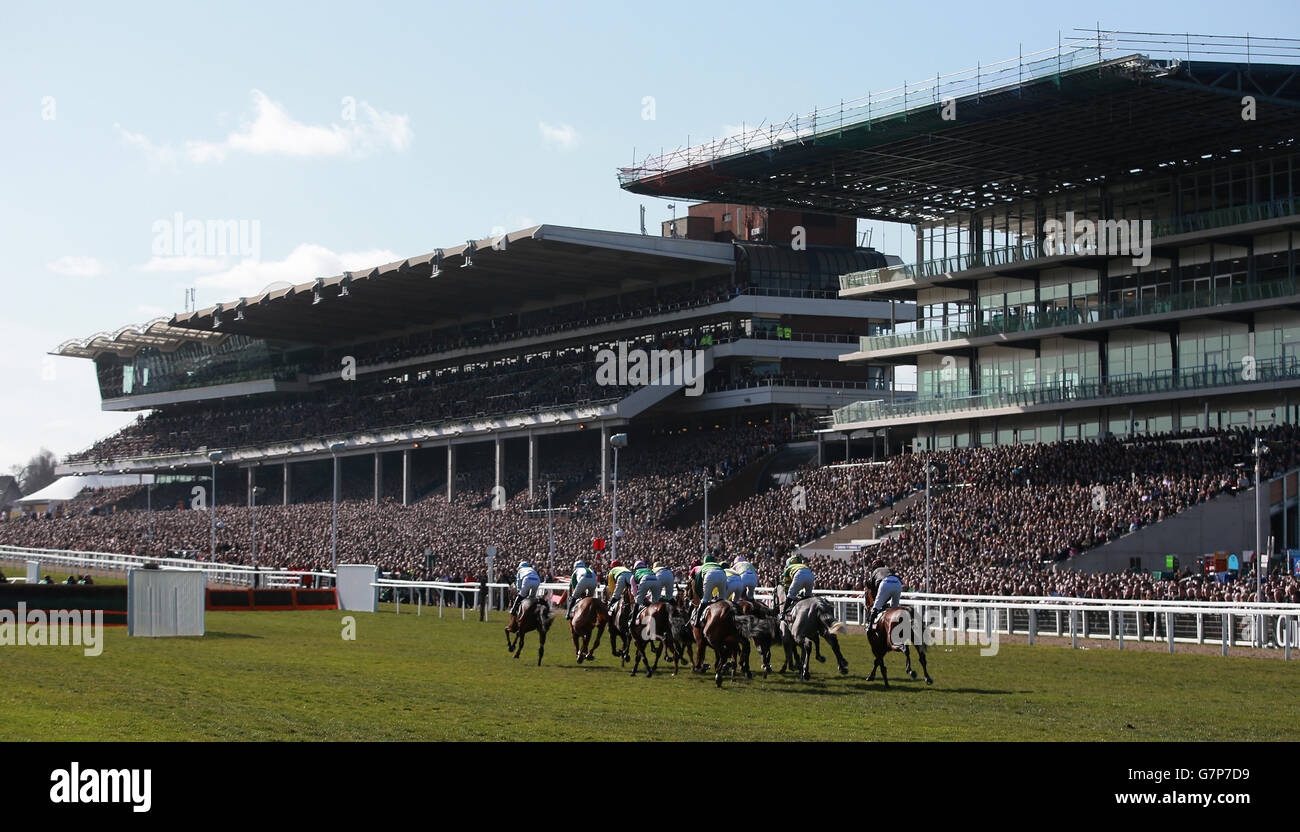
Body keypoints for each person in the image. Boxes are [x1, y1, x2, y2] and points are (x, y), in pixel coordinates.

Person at [691, 553, 728, 627]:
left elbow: (697, 585)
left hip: (710, 575)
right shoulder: (717, 565)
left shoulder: (703, 566)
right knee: (723, 600)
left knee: (704, 600)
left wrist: (701, 596)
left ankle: (697, 622)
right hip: (722, 574)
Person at [866, 561, 902, 627]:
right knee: (894, 609)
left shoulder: (875, 571)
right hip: (898, 583)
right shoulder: (889, 569)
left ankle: (870, 626)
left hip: (885, 583)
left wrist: (878, 601)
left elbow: (873, 590)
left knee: (876, 607)